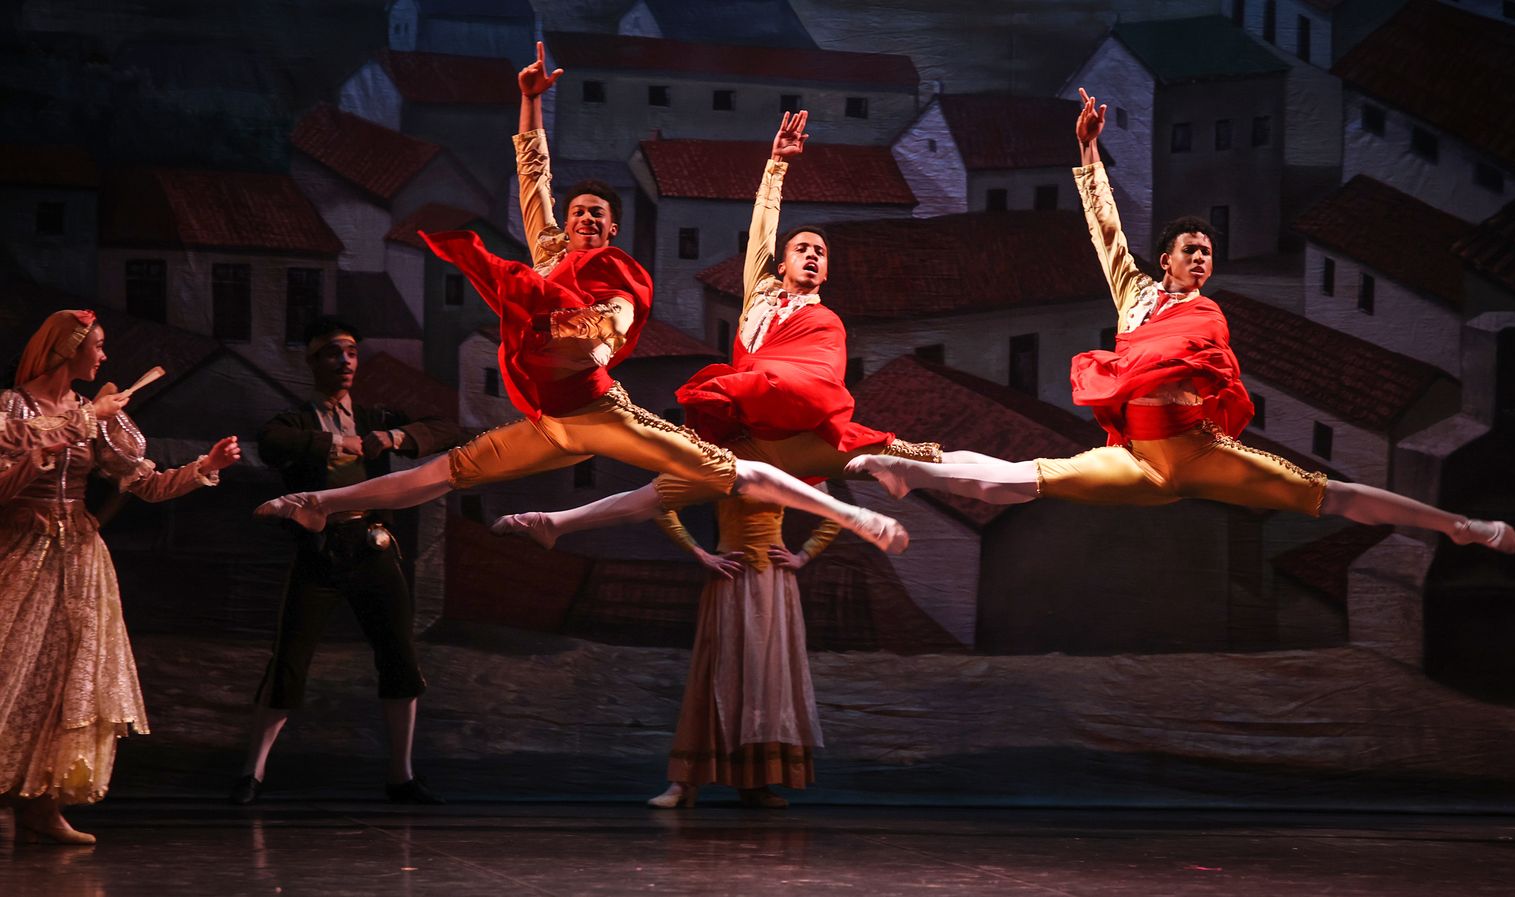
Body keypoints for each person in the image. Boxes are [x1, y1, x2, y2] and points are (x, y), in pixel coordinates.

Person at [255, 47, 907, 554]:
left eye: (598, 214)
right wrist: (531, 104)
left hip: (596, 409)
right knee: (446, 473)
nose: (588, 221)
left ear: (613, 227)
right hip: (547, 417)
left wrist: (599, 330)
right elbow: (533, 176)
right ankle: (321, 502)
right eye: (580, 214)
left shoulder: (617, 268)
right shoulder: (549, 254)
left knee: (724, 468)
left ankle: (857, 517)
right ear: (569, 225)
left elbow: (621, 314)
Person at [844, 88, 1515, 555]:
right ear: (1165, 256)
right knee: (1014, 482)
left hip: (1198, 455)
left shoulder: (1210, 312)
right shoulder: (1135, 293)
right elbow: (1105, 231)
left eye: (1209, 251)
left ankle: (1463, 526)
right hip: (1136, 460)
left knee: (1334, 495)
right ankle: (907, 470)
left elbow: (1217, 378)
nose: (1202, 256)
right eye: (1190, 248)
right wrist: (1086, 156)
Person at [493, 110, 995, 547]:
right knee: (660, 492)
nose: (813, 255)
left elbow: (822, 375)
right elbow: (763, 226)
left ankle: (1027, 475)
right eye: (804, 248)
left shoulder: (823, 321)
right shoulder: (759, 290)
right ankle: (553, 522)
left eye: (821, 253)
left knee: (908, 457)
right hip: (741, 428)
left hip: (799, 425)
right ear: (780, 265)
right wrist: (776, 165)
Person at [0, 309, 240, 845]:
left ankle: (41, 808)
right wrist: (76, 426)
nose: (105, 357)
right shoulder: (10, 409)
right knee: (11, 674)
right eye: (98, 346)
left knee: (69, 681)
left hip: (79, 559)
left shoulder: (99, 415)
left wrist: (205, 466)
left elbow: (146, 485)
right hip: (19, 551)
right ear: (69, 348)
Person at [231, 317, 461, 806]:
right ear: (314, 361)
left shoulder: (376, 418)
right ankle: (251, 774)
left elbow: (446, 428)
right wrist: (340, 444)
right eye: (334, 353)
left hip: (372, 545)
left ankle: (401, 776)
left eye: (353, 352)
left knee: (399, 657)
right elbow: (272, 443)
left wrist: (394, 439)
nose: (346, 361)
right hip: (319, 549)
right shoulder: (296, 422)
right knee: (290, 659)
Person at [645, 498, 838, 810]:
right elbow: (660, 503)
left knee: (765, 679)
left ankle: (756, 781)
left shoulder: (787, 463)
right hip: (730, 578)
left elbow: (834, 513)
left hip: (772, 583)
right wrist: (700, 553)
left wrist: (804, 555)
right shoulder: (716, 463)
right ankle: (685, 781)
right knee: (716, 674)